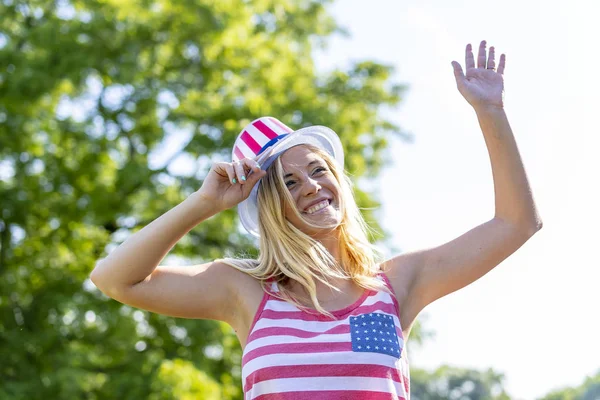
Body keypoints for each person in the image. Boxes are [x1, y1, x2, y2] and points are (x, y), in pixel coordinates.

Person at [90, 40, 542, 399]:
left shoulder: (398, 283)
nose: (310, 185)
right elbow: (114, 279)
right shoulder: (241, 290)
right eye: (288, 182)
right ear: (271, 210)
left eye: (319, 170)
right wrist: (204, 204)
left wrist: (491, 113)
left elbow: (517, 223)